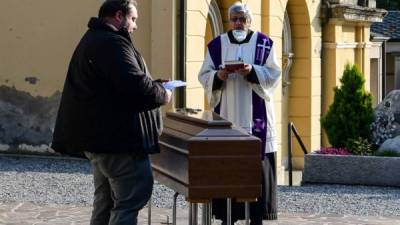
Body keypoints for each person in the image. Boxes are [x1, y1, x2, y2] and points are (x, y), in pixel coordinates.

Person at [51, 0, 171, 224]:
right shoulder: (111, 43)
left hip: (103, 140)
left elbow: (116, 85)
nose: (135, 26)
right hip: (118, 143)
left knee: (105, 203)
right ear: (118, 15)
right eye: (133, 19)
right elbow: (136, 87)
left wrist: (153, 84)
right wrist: (162, 93)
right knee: (130, 199)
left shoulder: (95, 39)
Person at [198, 2, 281, 225]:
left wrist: (252, 71)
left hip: (257, 119)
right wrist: (219, 76)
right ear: (228, 20)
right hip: (227, 115)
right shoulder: (216, 45)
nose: (238, 23)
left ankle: (256, 217)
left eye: (242, 19)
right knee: (228, 166)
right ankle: (228, 217)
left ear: (249, 21)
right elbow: (204, 74)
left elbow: (274, 74)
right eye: (234, 19)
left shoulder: (264, 43)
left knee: (255, 168)